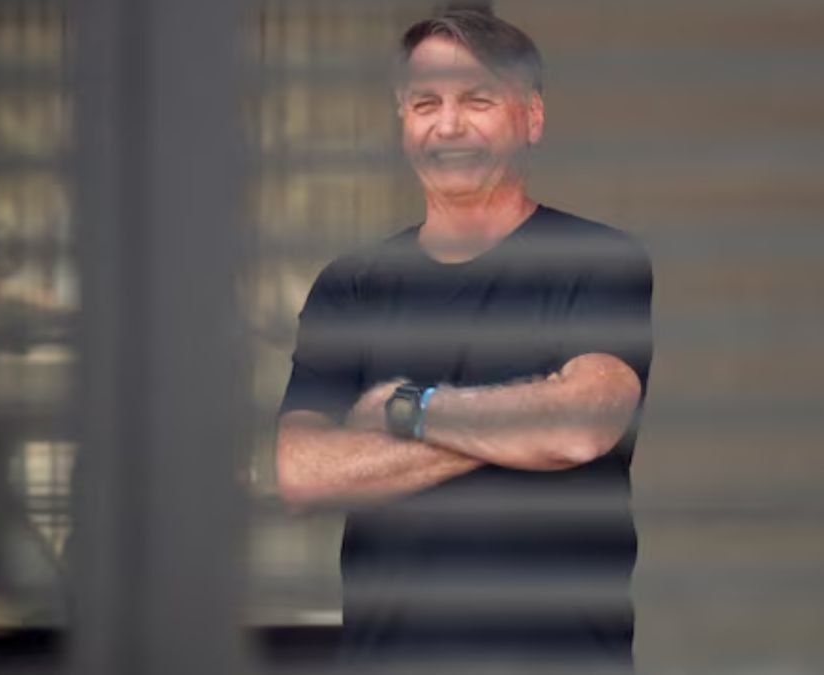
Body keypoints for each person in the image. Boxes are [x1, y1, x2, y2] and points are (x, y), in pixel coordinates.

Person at [275, 6, 652, 671]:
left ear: (531, 118)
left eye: (478, 100)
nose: (448, 125)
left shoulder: (597, 260)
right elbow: (303, 472)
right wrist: (521, 423)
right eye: (427, 103)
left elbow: (580, 428)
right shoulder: (352, 286)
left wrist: (408, 410)